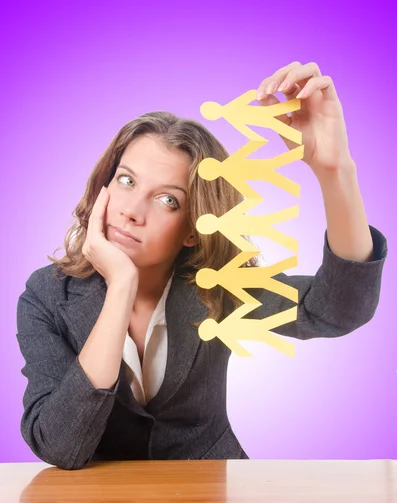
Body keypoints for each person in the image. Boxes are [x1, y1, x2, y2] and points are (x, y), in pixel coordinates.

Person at [16, 108, 388, 470]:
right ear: (104, 188)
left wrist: (335, 170)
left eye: (168, 200)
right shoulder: (47, 297)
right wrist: (120, 288)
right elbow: (59, 445)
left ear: (194, 228)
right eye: (126, 180)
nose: (132, 210)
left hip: (212, 498)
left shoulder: (218, 283)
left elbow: (336, 309)